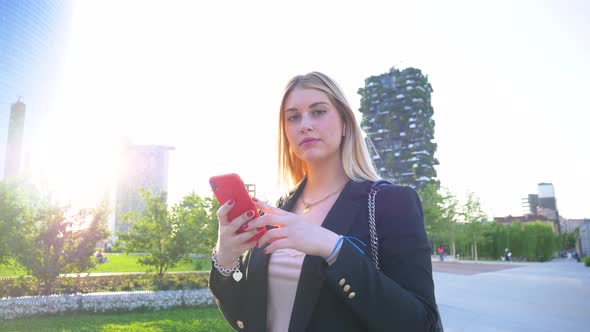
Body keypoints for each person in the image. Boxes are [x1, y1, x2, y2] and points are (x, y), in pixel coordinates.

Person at [209, 72, 440, 331]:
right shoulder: (277, 209)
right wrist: (225, 258)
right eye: (293, 117)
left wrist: (333, 247)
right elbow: (245, 317)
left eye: (318, 112)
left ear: (345, 122)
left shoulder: (392, 203)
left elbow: (422, 323)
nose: (304, 124)